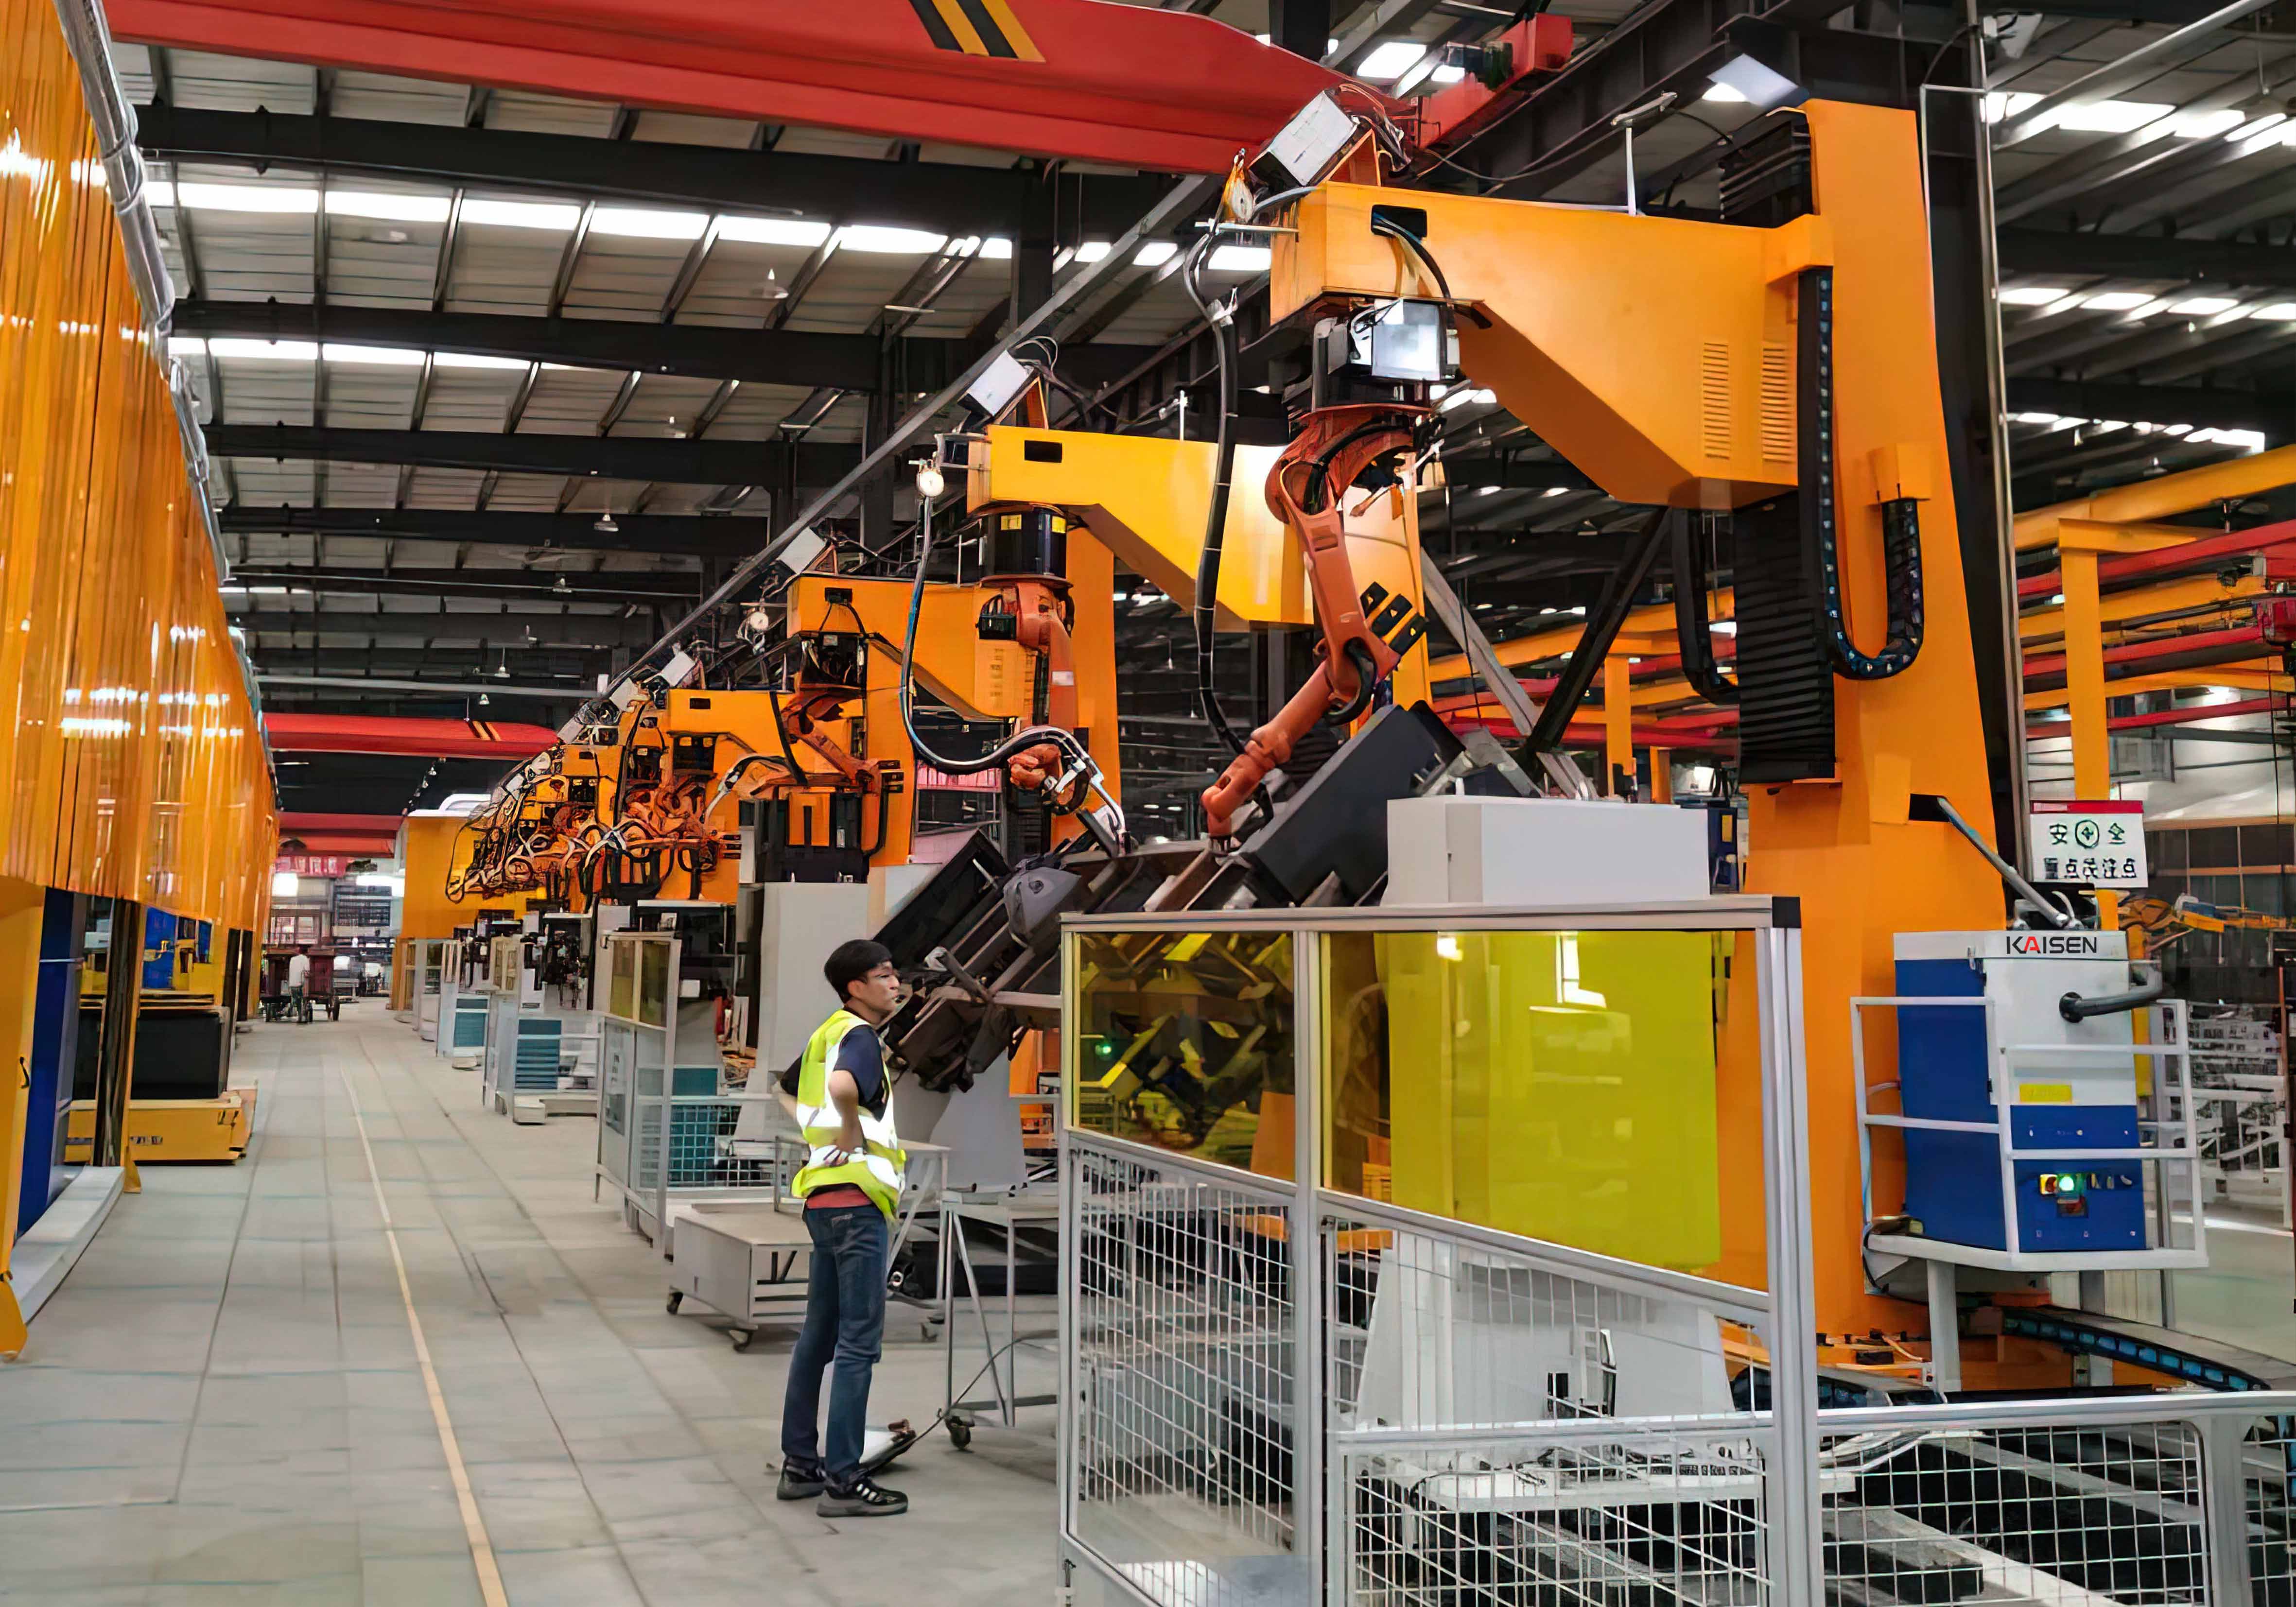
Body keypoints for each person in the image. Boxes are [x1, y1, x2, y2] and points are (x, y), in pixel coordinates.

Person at [778, 938, 910, 1517]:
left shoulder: (825, 1034)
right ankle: (844, 1479)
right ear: (856, 987)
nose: (895, 983)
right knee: (858, 1342)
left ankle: (800, 1464)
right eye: (883, 975)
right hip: (858, 1205)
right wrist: (850, 1129)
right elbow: (841, 1089)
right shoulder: (858, 1037)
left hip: (823, 1200)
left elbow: (786, 1088)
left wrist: (826, 1139)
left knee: (818, 1336)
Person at [284, 945, 312, 1024]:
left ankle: (300, 1016)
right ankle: (303, 1016)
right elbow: (307, 971)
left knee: (298, 1001)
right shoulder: (305, 959)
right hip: (301, 984)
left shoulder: (292, 960)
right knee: (304, 1000)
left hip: (293, 984)